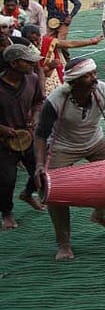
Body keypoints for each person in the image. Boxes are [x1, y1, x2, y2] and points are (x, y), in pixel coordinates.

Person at [33, 58, 105, 261]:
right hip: (62, 146)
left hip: (95, 141)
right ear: (73, 82)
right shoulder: (55, 100)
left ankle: (100, 214)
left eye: (94, 73)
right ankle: (64, 243)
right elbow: (41, 134)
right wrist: (40, 165)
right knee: (55, 194)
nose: (94, 78)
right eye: (87, 75)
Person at [0, 44, 45, 230]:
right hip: (3, 142)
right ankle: (7, 213)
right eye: (27, 61)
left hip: (27, 136)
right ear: (14, 63)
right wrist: (1, 129)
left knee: (40, 172)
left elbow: (38, 101)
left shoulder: (33, 79)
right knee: (7, 179)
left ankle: (27, 193)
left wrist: (35, 116)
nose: (32, 64)